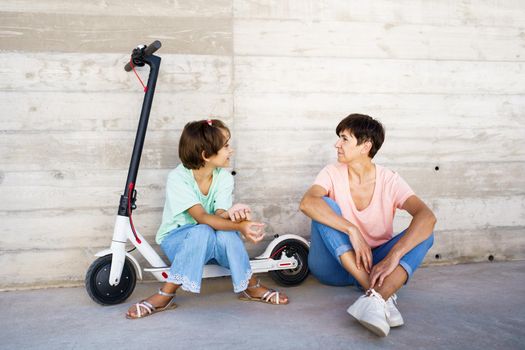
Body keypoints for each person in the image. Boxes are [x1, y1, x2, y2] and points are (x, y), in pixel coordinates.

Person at [126, 119, 288, 319]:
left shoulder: (224, 177)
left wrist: (236, 216)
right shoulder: (178, 178)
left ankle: (250, 286)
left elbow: (219, 216)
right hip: (179, 242)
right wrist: (241, 227)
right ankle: (165, 294)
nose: (231, 150)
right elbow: (202, 218)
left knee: (226, 234)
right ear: (206, 155)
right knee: (203, 230)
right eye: (226, 146)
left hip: (211, 239)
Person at [299, 114, 436, 336]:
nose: (337, 144)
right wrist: (352, 230)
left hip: (374, 263)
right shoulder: (331, 173)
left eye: (344, 139)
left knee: (426, 233)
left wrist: (393, 257)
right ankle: (377, 293)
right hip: (333, 266)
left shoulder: (390, 179)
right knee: (323, 204)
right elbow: (307, 203)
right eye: (339, 138)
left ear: (365, 146)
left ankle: (374, 299)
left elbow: (427, 217)